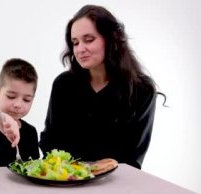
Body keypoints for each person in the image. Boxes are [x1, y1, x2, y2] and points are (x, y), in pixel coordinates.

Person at [39, 5, 166, 169]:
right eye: (75, 42)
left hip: (115, 186)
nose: (80, 49)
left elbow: (133, 158)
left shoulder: (142, 90)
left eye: (89, 40)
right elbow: (50, 140)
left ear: (111, 38)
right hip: (67, 182)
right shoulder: (64, 84)